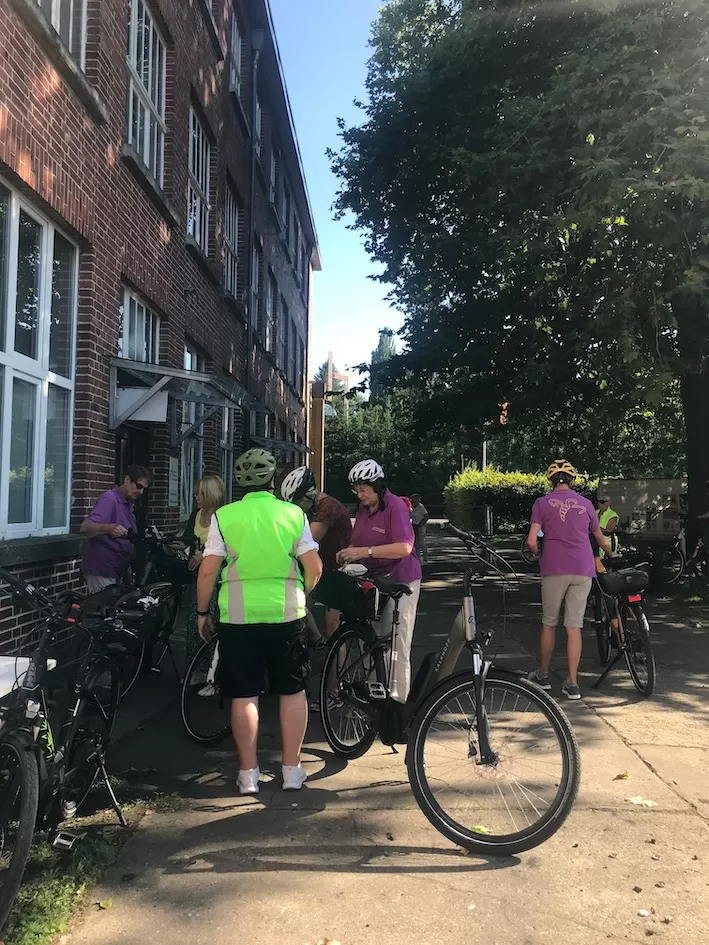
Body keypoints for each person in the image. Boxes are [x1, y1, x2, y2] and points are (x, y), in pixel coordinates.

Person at [196, 449, 322, 795]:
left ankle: (248, 775)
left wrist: (202, 612)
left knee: (244, 693)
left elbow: (208, 570)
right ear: (272, 481)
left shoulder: (225, 516)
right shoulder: (293, 514)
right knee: (292, 690)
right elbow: (315, 567)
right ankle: (293, 772)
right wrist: (302, 592)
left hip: (238, 618)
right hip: (286, 615)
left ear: (240, 483)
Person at [337, 460, 422, 724]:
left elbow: (404, 548)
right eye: (356, 490)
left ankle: (398, 706)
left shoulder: (394, 505)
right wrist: (348, 554)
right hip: (374, 579)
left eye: (364, 489)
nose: (360, 495)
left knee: (397, 642)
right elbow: (359, 540)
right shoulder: (364, 509)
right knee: (372, 642)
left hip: (401, 579)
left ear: (377, 485)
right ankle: (374, 697)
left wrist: (363, 553)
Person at [526, 460, 613, 700]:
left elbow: (532, 541)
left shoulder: (542, 503)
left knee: (549, 622)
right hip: (583, 568)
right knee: (574, 626)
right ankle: (572, 683)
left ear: (550, 481)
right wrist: (612, 554)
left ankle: (543, 676)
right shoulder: (586, 504)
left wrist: (536, 553)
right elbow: (601, 539)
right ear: (572, 480)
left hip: (554, 567)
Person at [279, 466, 352, 643]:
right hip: (319, 568)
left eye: (297, 503)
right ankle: (309, 644)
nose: (295, 508)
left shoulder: (327, 508)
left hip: (337, 570)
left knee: (332, 628)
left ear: (309, 495)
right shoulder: (310, 507)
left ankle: (339, 670)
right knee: (297, 610)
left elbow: (305, 541)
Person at [80, 465, 153, 594]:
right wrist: (109, 527)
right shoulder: (109, 499)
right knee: (104, 610)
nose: (141, 492)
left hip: (117, 569)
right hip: (103, 569)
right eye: (139, 486)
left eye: (144, 489)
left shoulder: (128, 504)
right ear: (126, 480)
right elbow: (86, 527)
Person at [181, 475, 226, 662]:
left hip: (218, 575)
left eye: (200, 494)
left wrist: (203, 554)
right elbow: (187, 538)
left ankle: (212, 669)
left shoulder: (224, 516)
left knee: (212, 619)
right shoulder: (196, 515)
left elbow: (227, 545)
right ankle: (196, 667)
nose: (196, 498)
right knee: (194, 620)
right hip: (198, 575)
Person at [410, 493, 430, 564]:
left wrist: (421, 524)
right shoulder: (412, 508)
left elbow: (426, 516)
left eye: (413, 500)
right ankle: (417, 559)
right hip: (414, 526)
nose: (412, 501)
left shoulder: (421, 507)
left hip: (421, 527)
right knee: (416, 543)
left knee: (421, 542)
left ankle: (425, 559)